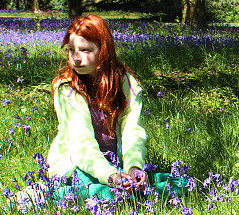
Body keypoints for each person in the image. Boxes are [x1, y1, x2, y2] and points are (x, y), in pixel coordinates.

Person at [43, 14, 182, 202]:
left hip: (113, 165)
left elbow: (132, 129)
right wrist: (110, 175)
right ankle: (53, 193)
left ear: (103, 50)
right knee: (103, 193)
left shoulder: (124, 82)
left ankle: (131, 189)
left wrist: (133, 167)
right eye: (71, 50)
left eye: (85, 50)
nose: (76, 58)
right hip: (76, 166)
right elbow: (80, 143)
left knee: (175, 184)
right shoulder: (67, 88)